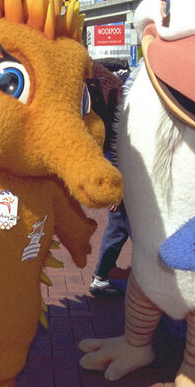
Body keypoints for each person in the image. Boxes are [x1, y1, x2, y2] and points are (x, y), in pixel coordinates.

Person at [85, 62, 129, 296]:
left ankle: (102, 276)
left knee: (119, 226)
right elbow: (117, 143)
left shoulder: (108, 89)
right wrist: (116, 186)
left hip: (124, 166)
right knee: (124, 225)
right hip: (123, 168)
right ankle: (102, 276)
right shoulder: (110, 92)